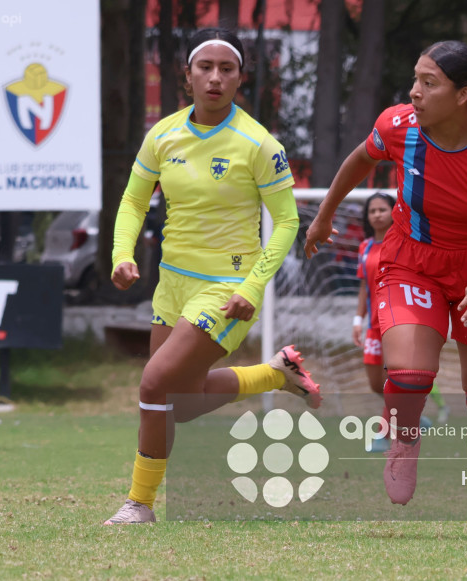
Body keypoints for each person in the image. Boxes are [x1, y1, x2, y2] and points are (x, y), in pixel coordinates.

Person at [304, 40, 467, 539]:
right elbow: (359, 160)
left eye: (429, 83)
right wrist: (325, 215)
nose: (414, 92)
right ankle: (404, 438)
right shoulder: (398, 125)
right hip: (411, 261)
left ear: (463, 95)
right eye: (415, 79)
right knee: (411, 372)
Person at [104, 28, 321, 525]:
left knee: (153, 384)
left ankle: (138, 505)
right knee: (176, 404)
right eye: (205, 67)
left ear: (241, 78)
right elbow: (134, 200)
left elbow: (287, 221)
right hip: (172, 283)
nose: (215, 78)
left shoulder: (259, 144)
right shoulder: (163, 135)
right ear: (187, 75)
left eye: (227, 69)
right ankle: (275, 374)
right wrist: (121, 253)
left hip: (227, 288)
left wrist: (252, 287)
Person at [352, 192, 449, 455]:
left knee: (392, 380)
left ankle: (382, 435)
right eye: (372, 211)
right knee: (376, 384)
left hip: (396, 322)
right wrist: (357, 319)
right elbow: (364, 287)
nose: (377, 215)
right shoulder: (365, 248)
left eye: (382, 209)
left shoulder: (403, 244)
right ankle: (410, 417)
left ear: (394, 212)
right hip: (373, 325)